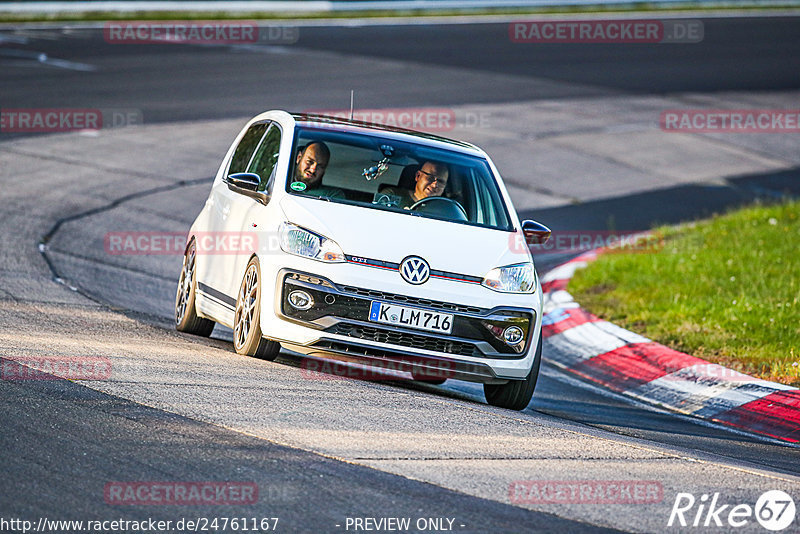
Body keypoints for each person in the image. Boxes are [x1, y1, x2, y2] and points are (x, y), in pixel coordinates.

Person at [381, 160, 449, 209]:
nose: (434, 185)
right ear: (418, 176)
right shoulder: (391, 196)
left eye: (441, 181)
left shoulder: (446, 210)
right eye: (430, 177)